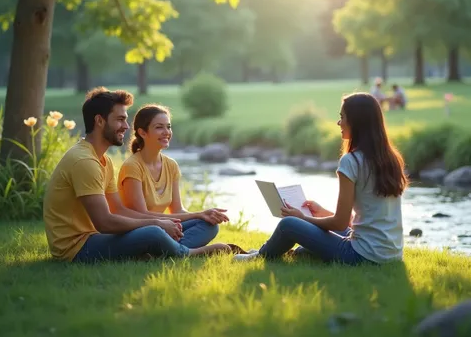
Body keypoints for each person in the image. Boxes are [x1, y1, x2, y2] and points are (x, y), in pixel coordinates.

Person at [43, 87, 230, 263]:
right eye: (120, 119)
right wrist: (157, 224)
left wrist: (167, 222)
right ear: (99, 121)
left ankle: (159, 252)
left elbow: (119, 210)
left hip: (97, 237)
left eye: (125, 119)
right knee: (154, 233)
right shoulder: (84, 161)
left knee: (197, 225)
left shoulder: (104, 161)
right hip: (77, 248)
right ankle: (186, 253)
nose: (126, 126)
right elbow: (104, 222)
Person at [234, 92, 408, 265]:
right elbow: (356, 221)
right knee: (305, 247)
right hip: (392, 255)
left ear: (356, 122)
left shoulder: (351, 160)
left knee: (288, 225)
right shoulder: (391, 158)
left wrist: (302, 218)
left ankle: (259, 256)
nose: (339, 122)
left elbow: (340, 223)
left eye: (342, 117)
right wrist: (322, 212)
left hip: (361, 255)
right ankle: (285, 252)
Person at [117, 104, 230, 249]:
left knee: (209, 225)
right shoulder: (132, 166)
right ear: (143, 132)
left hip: (163, 227)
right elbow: (142, 215)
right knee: (156, 232)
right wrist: (198, 214)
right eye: (159, 127)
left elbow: (177, 211)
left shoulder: (171, 165)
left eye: (168, 127)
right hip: (143, 230)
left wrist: (202, 216)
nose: (166, 132)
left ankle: (169, 250)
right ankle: (178, 250)